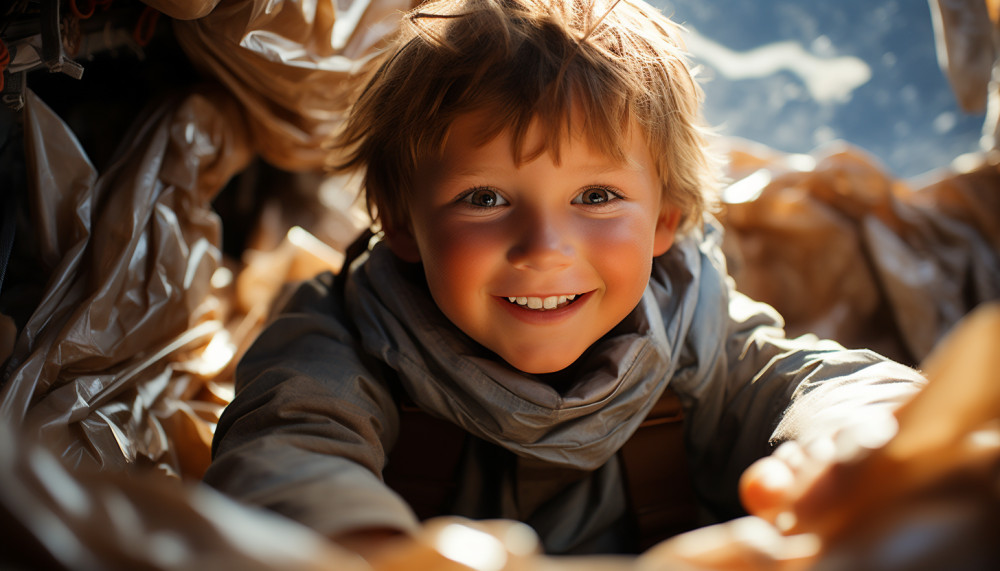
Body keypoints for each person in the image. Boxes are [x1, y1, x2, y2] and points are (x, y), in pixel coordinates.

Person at [202, 0, 926, 561]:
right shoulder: (339, 336)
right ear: (400, 221)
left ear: (666, 218)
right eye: (485, 198)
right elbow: (287, 444)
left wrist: (858, 443)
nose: (545, 249)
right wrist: (364, 543)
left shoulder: (699, 330)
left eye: (596, 197)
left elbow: (814, 382)